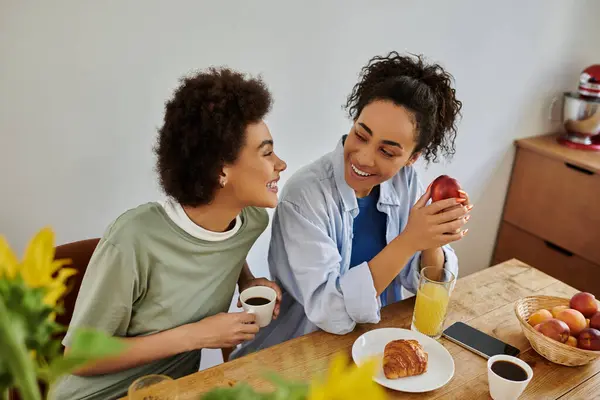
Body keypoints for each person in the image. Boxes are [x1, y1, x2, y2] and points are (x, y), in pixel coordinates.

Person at [51, 67, 287, 400]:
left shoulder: (250, 221)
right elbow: (77, 357)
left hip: (173, 392)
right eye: (266, 152)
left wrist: (246, 280)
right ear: (221, 170)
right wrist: (197, 336)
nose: (281, 163)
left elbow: (219, 248)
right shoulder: (132, 240)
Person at [232, 51, 471, 358]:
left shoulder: (406, 182)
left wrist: (433, 238)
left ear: (412, 158)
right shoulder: (305, 195)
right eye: (361, 135)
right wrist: (409, 239)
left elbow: (427, 284)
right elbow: (330, 312)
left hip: (379, 343)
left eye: (387, 152)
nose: (362, 157)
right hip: (305, 350)